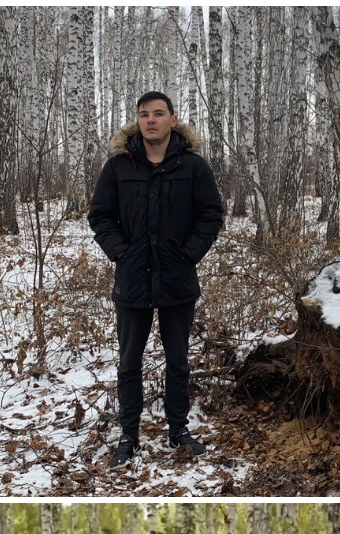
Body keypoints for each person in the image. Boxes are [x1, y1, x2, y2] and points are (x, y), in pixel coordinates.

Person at [88, 91, 224, 467]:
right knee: (129, 362)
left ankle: (178, 430)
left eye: (159, 114)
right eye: (144, 114)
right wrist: (121, 252)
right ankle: (128, 437)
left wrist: (188, 254)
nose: (151, 120)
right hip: (132, 280)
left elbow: (211, 215)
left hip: (177, 280)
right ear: (138, 121)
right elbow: (100, 216)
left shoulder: (193, 168)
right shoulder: (118, 167)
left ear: (172, 121)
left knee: (178, 360)